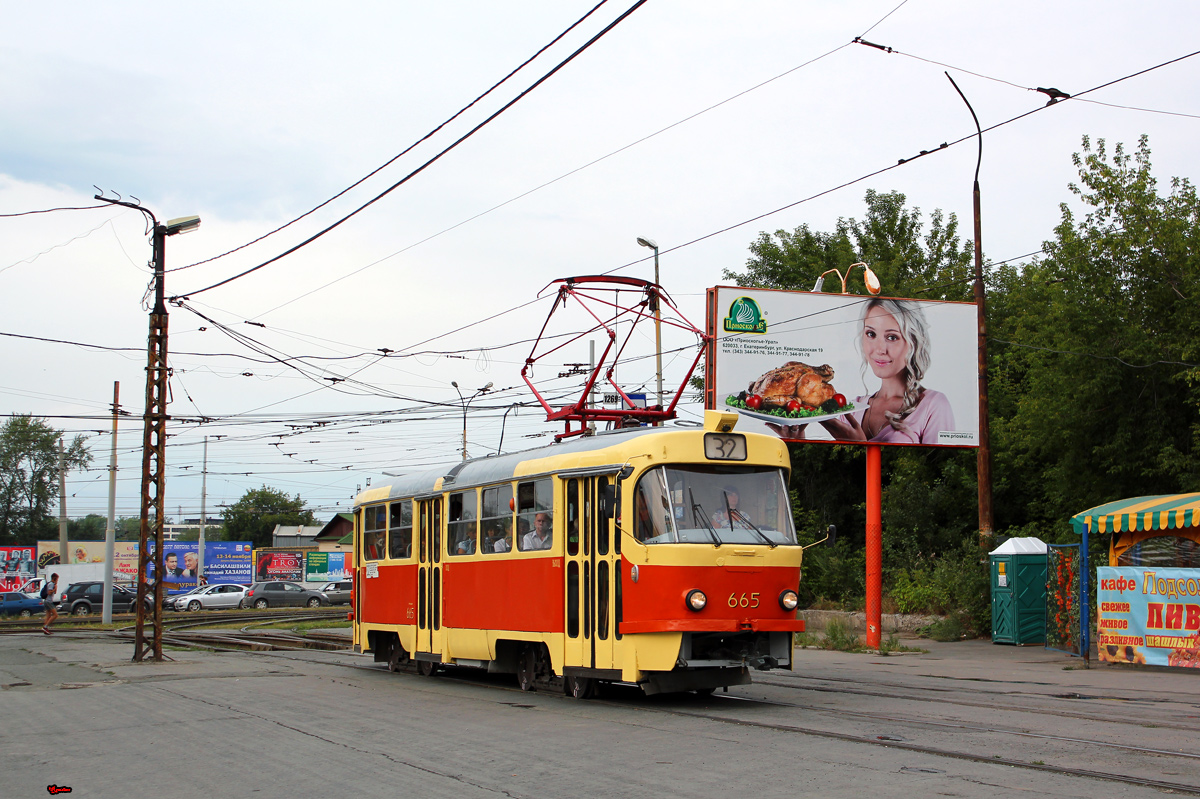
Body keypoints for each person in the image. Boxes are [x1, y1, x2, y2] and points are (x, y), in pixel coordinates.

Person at [768, 298, 954, 445]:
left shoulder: (933, 405)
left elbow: (938, 475)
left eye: (892, 337)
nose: (879, 349)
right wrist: (798, 441)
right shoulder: (851, 408)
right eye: (871, 334)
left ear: (913, 342)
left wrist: (860, 445)